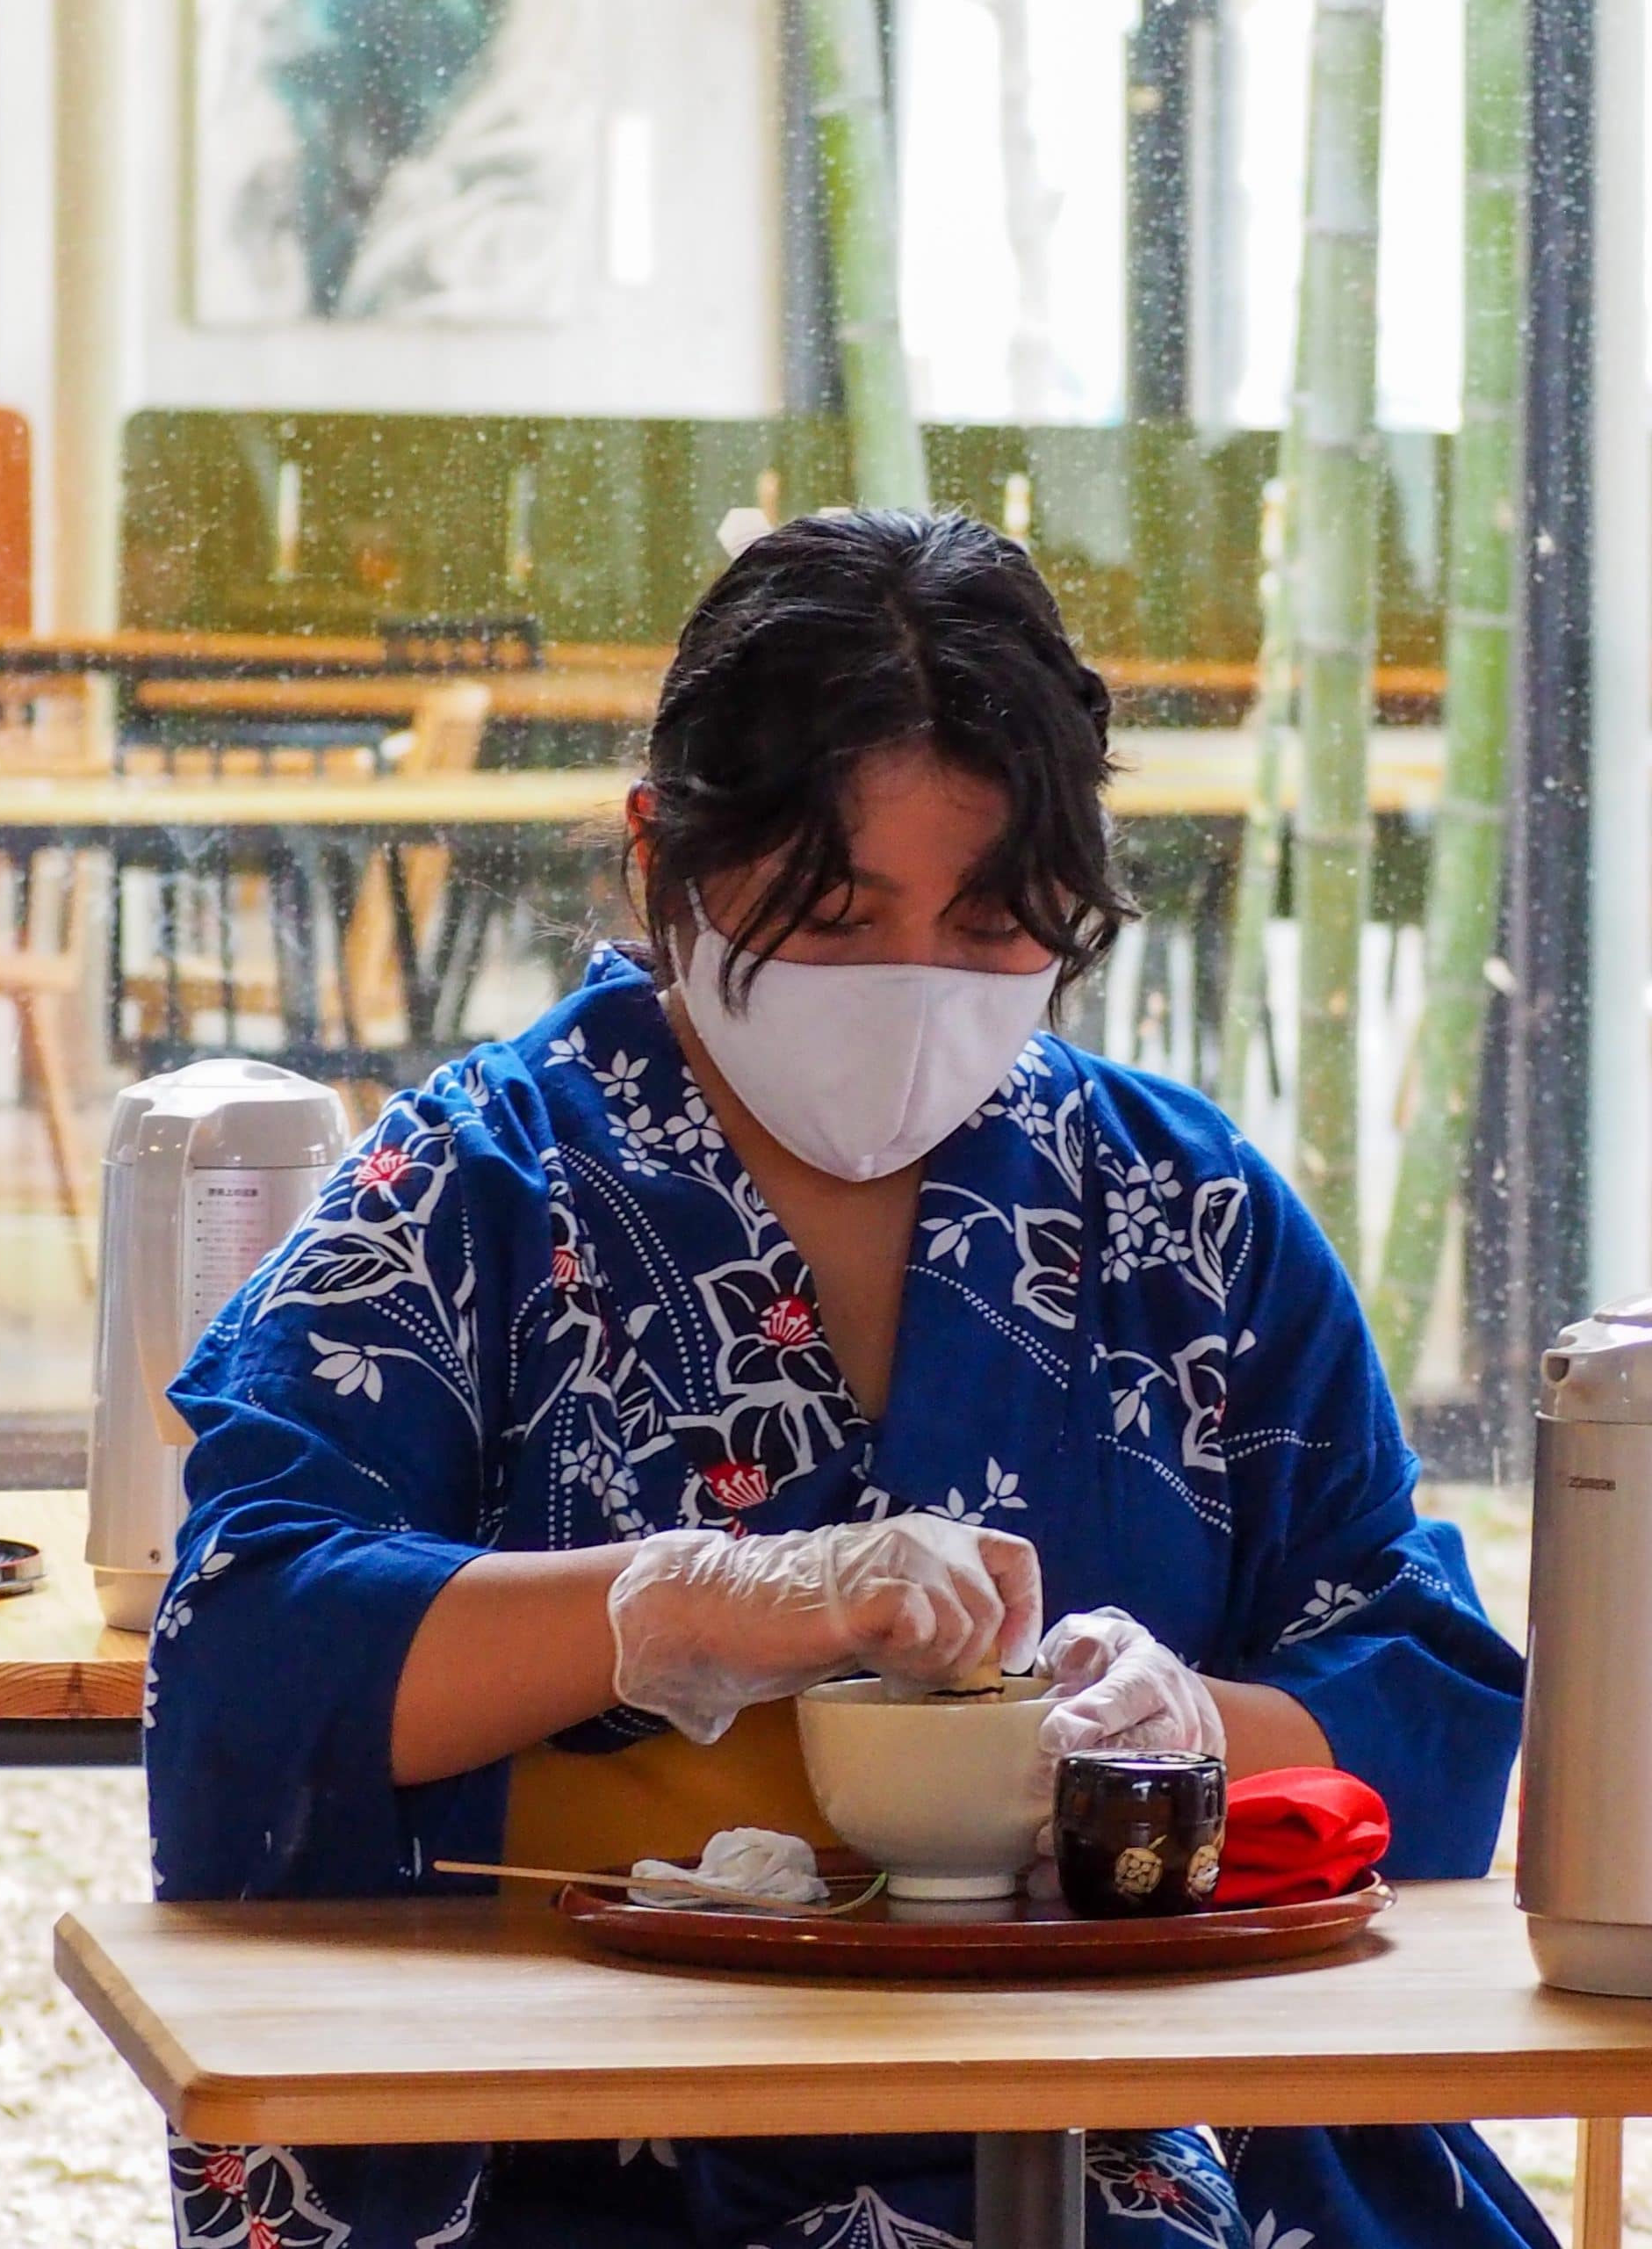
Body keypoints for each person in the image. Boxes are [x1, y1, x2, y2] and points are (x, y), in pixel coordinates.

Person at [145, 510, 1542, 2249]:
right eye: (836, 913)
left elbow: (1430, 1704)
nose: (919, 986)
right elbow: (247, 1657)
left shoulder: (1187, 1217)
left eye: (992, 920)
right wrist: (693, 1598)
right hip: (584, 2146)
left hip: (1137, 2142)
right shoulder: (464, 1195)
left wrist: (1161, 1744)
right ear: (662, 854)